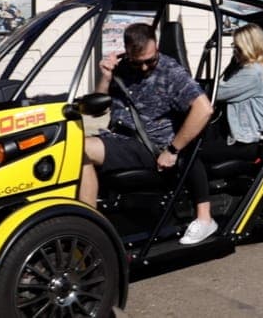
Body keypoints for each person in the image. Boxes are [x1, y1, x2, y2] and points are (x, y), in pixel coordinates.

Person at [79, 23, 218, 245]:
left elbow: (204, 109)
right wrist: (106, 77)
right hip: (118, 139)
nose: (144, 68)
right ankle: (85, 223)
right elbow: (95, 110)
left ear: (157, 46)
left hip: (150, 146)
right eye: (138, 62)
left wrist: (172, 150)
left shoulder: (170, 72)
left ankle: (89, 232)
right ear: (126, 50)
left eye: (150, 61)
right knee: (68, 147)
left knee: (81, 149)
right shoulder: (122, 69)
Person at [202, 24, 263, 164]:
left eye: (238, 47)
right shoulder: (247, 68)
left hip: (244, 141)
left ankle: (199, 187)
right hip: (236, 135)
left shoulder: (253, 73)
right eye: (233, 46)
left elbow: (217, 93)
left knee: (193, 154)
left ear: (250, 47)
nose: (234, 51)